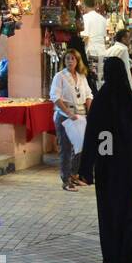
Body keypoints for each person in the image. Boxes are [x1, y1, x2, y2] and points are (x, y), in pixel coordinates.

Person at [77, 57, 132, 263]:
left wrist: (85, 169)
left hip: (107, 169)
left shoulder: (101, 103)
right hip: (130, 169)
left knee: (109, 213)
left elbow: (92, 137)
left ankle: (113, 256)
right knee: (130, 209)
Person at [50, 49, 93, 192]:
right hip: (64, 116)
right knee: (66, 149)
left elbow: (88, 94)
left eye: (73, 58)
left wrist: (89, 111)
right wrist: (68, 112)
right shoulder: (59, 76)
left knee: (80, 148)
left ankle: (74, 175)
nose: (70, 61)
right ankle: (66, 180)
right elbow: (55, 97)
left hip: (81, 116)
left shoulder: (81, 77)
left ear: (77, 61)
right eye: (67, 58)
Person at [80, 0, 108, 89]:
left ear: (84, 5)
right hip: (102, 51)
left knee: (92, 79)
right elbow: (104, 37)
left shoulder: (85, 18)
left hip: (91, 52)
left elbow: (85, 37)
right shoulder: (103, 19)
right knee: (102, 79)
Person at [103, 29, 132, 93]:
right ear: (123, 39)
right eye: (129, 37)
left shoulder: (110, 49)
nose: (131, 40)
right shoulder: (123, 50)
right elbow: (126, 70)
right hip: (122, 87)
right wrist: (131, 89)